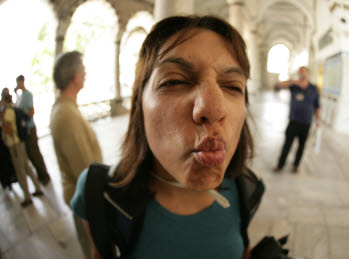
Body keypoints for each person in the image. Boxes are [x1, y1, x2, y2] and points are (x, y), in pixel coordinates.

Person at [70, 15, 268, 259]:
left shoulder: (246, 189)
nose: (214, 109)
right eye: (174, 80)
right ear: (139, 104)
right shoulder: (102, 196)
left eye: (232, 86)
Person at [50, 51, 103, 259]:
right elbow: (85, 176)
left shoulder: (66, 108)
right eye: (83, 69)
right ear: (74, 75)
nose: (86, 73)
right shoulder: (66, 115)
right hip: (86, 205)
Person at [1, 87, 43, 207]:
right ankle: (38, 188)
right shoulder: (15, 107)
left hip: (15, 144)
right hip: (21, 142)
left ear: (3, 100)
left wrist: (2, 124)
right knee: (27, 166)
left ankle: (27, 197)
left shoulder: (8, 112)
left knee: (20, 171)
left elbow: (8, 129)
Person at [273, 66, 320, 173]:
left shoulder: (313, 88)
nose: (303, 74)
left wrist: (318, 120)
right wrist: (294, 82)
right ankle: (280, 165)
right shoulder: (294, 86)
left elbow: (317, 105)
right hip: (294, 121)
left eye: (304, 72)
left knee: (301, 146)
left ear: (308, 73)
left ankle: (296, 165)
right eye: (300, 72)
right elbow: (279, 85)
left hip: (306, 123)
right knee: (287, 144)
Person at [15, 75, 51, 185]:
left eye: (19, 82)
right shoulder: (20, 96)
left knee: (35, 152)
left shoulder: (28, 95)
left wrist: (26, 119)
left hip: (30, 127)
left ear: (22, 82)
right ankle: (40, 175)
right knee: (30, 153)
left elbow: (31, 111)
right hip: (25, 129)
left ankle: (44, 175)